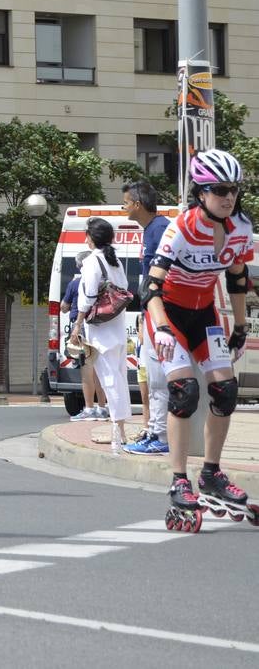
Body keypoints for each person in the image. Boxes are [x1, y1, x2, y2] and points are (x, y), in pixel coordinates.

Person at [146, 151, 255, 532]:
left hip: (205, 313)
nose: (229, 197)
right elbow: (151, 288)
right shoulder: (180, 229)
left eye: (234, 190)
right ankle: (179, 479)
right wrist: (160, 329)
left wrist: (240, 326)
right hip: (169, 315)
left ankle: (211, 474)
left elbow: (238, 278)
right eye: (220, 190)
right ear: (200, 192)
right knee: (185, 391)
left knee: (224, 390)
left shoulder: (241, 227)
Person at [123, 181, 171, 455]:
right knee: (153, 380)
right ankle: (155, 432)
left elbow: (165, 276)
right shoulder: (152, 230)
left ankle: (160, 437)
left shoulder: (160, 229)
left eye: (126, 203)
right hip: (151, 315)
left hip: (160, 316)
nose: (124, 208)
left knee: (157, 380)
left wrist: (155, 316)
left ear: (138, 204)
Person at [77, 217, 131, 453]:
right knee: (118, 378)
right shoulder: (115, 261)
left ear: (92, 238)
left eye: (87, 234)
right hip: (117, 327)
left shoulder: (92, 262)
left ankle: (118, 434)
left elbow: (88, 296)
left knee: (110, 380)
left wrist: (78, 323)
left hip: (100, 330)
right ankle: (119, 431)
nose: (85, 238)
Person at [63, 253, 106, 420]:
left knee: (86, 370)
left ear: (79, 266)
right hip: (100, 327)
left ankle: (89, 408)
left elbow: (64, 307)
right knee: (99, 370)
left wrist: (77, 326)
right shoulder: (102, 283)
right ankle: (102, 407)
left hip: (83, 330)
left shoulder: (76, 283)